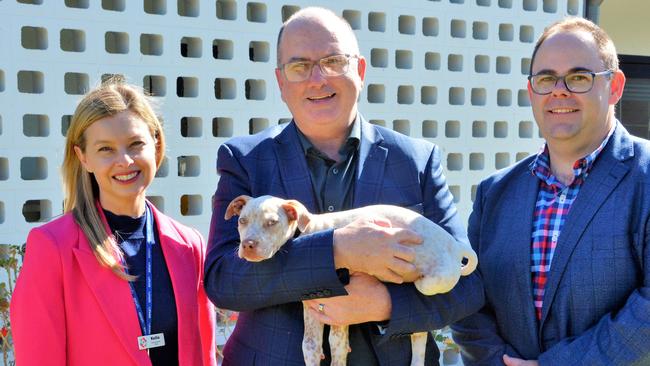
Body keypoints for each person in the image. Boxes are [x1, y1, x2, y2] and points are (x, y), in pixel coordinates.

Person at [204, 7, 483, 366]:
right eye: (299, 66)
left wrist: (384, 304)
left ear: (361, 71)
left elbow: (467, 284)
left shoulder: (416, 160)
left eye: (333, 61)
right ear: (281, 82)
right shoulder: (244, 160)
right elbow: (223, 279)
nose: (317, 79)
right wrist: (338, 249)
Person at [451, 17, 650, 365]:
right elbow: (468, 298)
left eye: (578, 77)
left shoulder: (644, 178)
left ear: (615, 86)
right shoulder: (495, 194)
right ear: (532, 92)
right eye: (545, 78)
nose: (559, 91)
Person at [10, 80, 217, 366]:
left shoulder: (189, 244)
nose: (125, 160)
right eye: (106, 149)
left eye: (135, 144)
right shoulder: (52, 247)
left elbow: (203, 356)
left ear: (156, 145)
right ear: (83, 157)